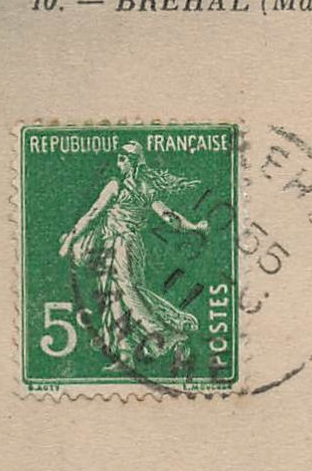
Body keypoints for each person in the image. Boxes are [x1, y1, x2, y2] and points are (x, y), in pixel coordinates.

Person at [58, 141, 209, 371]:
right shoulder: (147, 188)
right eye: (119, 157)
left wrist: (70, 239)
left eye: (123, 158)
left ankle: (168, 335)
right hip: (129, 247)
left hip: (120, 244)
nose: (119, 162)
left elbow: (93, 213)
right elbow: (169, 217)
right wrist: (193, 227)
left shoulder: (115, 186)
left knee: (126, 293)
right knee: (115, 296)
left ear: (133, 162)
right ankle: (125, 354)